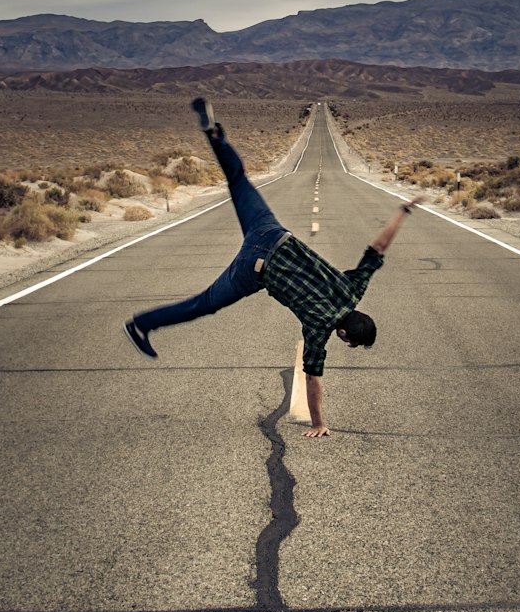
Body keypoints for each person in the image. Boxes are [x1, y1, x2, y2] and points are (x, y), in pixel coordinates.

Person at [124, 99, 423, 437]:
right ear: (344, 333)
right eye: (348, 342)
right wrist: (319, 424)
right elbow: (312, 379)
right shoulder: (318, 328)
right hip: (253, 269)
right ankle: (140, 325)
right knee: (205, 303)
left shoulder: (352, 289)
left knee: (239, 181)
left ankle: (214, 134)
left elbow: (377, 249)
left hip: (271, 232)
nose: (344, 343)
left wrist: (403, 213)